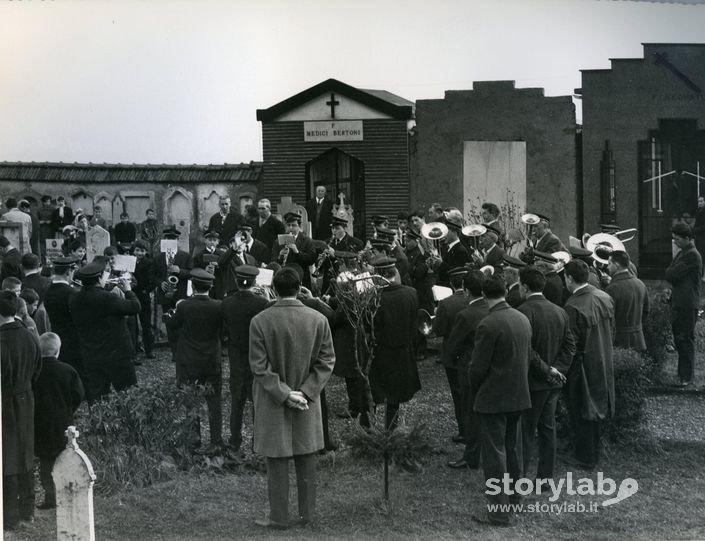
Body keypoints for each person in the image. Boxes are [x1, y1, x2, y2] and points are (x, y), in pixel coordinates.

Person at [249, 267, 335, 529]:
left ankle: (278, 516)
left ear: (273, 289)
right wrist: (306, 392)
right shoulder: (318, 319)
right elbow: (327, 360)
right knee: (307, 454)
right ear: (300, 288)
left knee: (276, 458)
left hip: (272, 399)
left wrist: (285, 394)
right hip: (307, 400)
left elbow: (259, 367)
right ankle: (307, 515)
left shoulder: (260, 321)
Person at [468, 274, 532, 527]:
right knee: (513, 449)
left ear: (484, 295)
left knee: (494, 455)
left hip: (494, 398)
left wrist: (477, 389)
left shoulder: (488, 324)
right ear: (506, 291)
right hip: (518, 395)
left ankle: (498, 512)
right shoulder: (522, 318)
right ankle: (515, 498)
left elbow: (477, 368)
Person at [517, 267, 575, 481]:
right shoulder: (560, 311)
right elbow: (570, 347)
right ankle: (545, 478)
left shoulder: (523, 311)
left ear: (524, 286)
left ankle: (519, 479)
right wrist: (557, 370)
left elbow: (528, 350)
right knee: (548, 429)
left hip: (533, 382)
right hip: (553, 382)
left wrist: (547, 370)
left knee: (525, 431)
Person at [166, 268, 224, 455]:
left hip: (189, 359)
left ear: (193, 285)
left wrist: (169, 316)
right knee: (214, 401)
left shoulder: (184, 306)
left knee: (191, 400)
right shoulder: (218, 306)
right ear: (210, 286)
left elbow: (172, 325)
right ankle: (216, 440)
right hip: (211, 359)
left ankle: (194, 440)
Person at [563, 259, 615, 469]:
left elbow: (571, 344)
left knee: (582, 407)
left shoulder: (573, 305)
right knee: (597, 404)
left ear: (569, 278)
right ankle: (592, 452)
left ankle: (585, 456)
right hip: (603, 356)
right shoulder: (604, 296)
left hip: (583, 364)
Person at [69, 260, 141, 401]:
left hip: (92, 354)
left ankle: (99, 422)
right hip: (117, 355)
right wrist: (128, 290)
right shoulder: (108, 298)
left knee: (97, 396)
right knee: (128, 394)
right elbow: (135, 307)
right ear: (99, 277)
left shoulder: (74, 298)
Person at [1, 290, 42, 530]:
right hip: (26, 398)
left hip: (4, 401)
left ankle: (10, 516)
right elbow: (37, 368)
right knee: (25, 452)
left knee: (6, 456)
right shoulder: (29, 336)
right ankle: (28, 510)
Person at [442, 270, 489, 470]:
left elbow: (453, 345)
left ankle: (471, 456)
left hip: (469, 367)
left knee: (470, 412)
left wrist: (451, 359)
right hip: (490, 367)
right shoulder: (491, 308)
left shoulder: (466, 314)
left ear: (468, 291)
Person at [33, 332, 85, 510]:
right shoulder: (67, 370)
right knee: (66, 457)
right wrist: (69, 409)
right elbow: (78, 394)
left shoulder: (35, 371)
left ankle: (50, 496)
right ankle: (68, 493)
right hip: (63, 421)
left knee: (46, 461)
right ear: (58, 351)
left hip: (40, 423)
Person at [221, 265, 269, 453]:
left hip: (236, 356)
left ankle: (234, 441)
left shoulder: (226, 303)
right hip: (256, 356)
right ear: (254, 282)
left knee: (236, 402)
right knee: (257, 401)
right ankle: (257, 443)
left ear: (236, 281)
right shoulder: (261, 303)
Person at [370, 256, 421, 429]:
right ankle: (390, 429)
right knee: (395, 396)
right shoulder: (411, 292)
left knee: (376, 391)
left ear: (378, 276)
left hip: (381, 352)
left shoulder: (374, 297)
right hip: (403, 351)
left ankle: (371, 429)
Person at [434, 267, 470, 441]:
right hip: (473, 353)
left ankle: (464, 431)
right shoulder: (478, 300)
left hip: (453, 354)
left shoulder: (445, 303)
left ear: (451, 284)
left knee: (458, 394)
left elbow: (438, 330)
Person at [665, 222, 702, 387]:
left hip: (686, 303)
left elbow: (671, 274)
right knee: (680, 339)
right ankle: (683, 375)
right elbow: (670, 273)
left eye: (677, 239)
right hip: (682, 302)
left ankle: (686, 376)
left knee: (685, 339)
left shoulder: (691, 255)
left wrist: (672, 268)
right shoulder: (685, 253)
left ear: (687, 238)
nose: (675, 242)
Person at [44, 257, 84, 381]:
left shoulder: (48, 291)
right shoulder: (71, 293)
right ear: (68, 272)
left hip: (58, 336)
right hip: (74, 340)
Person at [605, 250, 649, 352]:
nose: (607, 267)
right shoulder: (640, 284)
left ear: (616, 265)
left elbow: (609, 319)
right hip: (638, 339)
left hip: (619, 341)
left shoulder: (612, 288)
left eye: (609, 264)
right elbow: (646, 312)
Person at [272, 212, 317, 289]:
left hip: (301, 279)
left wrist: (297, 252)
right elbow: (273, 261)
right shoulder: (278, 241)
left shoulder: (306, 240)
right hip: (284, 279)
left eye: (294, 225)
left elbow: (311, 259)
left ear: (299, 227)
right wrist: (280, 256)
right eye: (288, 225)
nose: (291, 228)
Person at [132, 240, 157, 359]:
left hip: (143, 295)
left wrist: (146, 290)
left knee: (146, 323)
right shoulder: (129, 261)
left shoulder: (149, 263)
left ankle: (149, 349)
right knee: (133, 325)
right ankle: (135, 349)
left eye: (142, 251)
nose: (139, 253)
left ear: (145, 252)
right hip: (131, 294)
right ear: (133, 251)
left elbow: (152, 279)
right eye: (137, 250)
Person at [694, 196, 705, 276]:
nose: (700, 203)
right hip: (699, 236)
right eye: (698, 201)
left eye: (701, 201)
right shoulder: (698, 211)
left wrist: (696, 230)